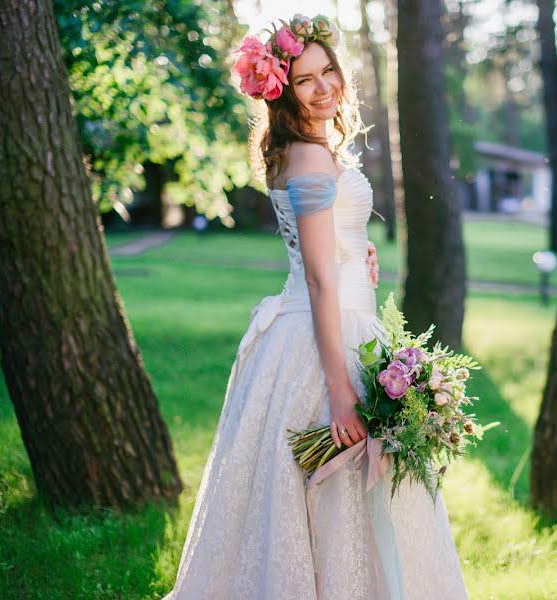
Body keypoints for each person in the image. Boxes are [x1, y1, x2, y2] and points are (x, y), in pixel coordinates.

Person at [164, 14, 469, 600]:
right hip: (324, 340)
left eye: (329, 71)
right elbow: (320, 282)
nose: (325, 86)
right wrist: (339, 390)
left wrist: (359, 246)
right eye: (306, 79)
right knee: (335, 494)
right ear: (282, 91)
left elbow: (323, 244)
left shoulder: (308, 151)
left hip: (341, 321)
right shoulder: (306, 157)